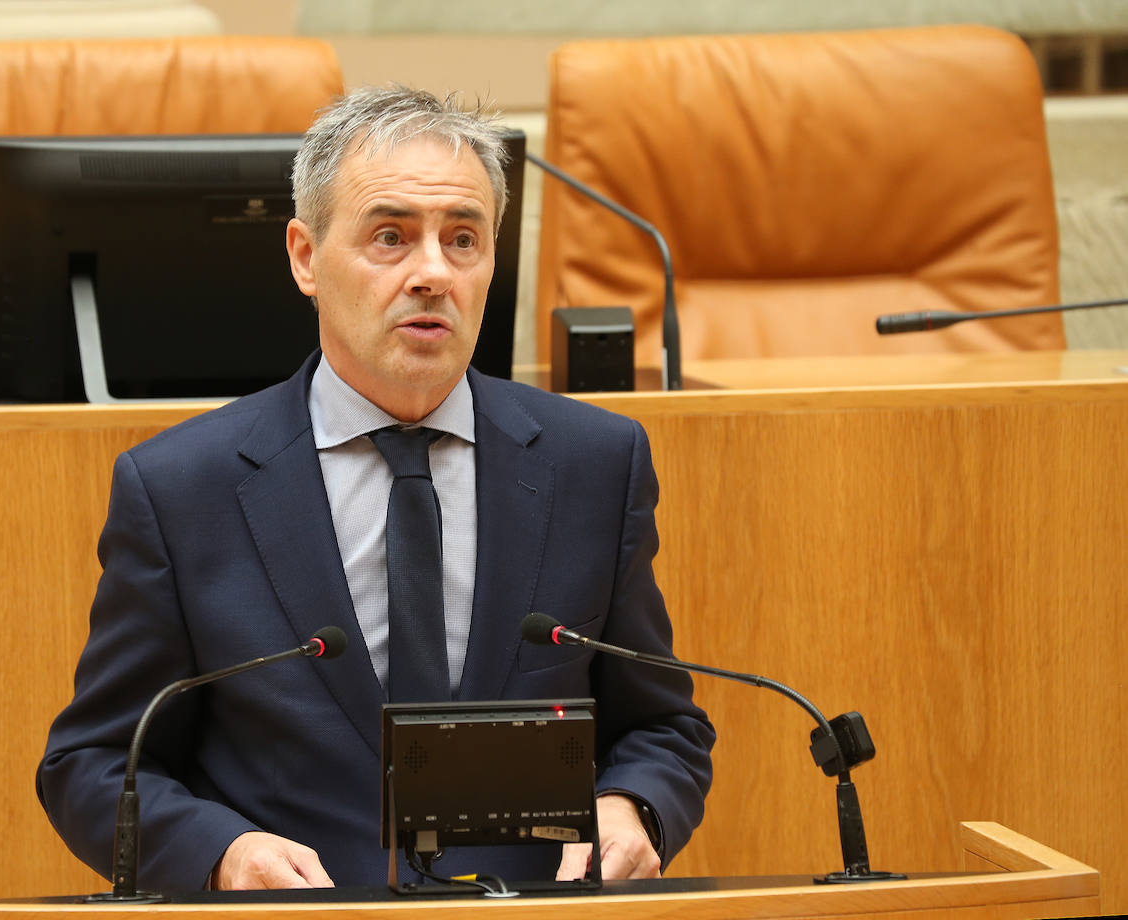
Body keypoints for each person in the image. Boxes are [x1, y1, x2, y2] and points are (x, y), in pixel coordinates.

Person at [37, 85, 714, 892]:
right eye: (390, 236)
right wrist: (220, 852)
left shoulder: (593, 464)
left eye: (463, 240)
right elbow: (96, 761)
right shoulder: (184, 488)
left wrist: (634, 804)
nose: (432, 272)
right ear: (304, 256)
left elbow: (663, 726)